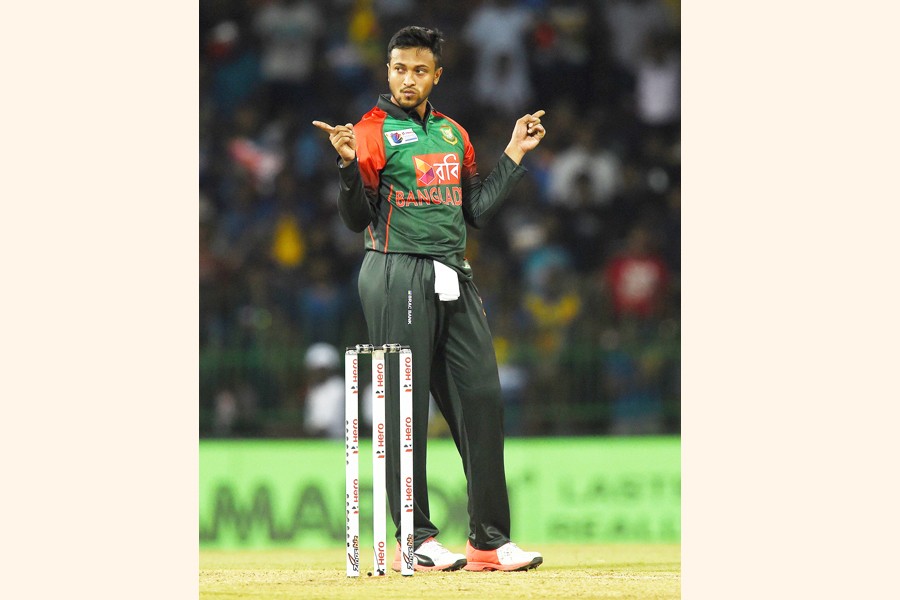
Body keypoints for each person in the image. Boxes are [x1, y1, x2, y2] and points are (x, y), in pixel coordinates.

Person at [313, 26, 545, 572]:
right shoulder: (369, 132)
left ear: (436, 75)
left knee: (482, 398)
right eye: (399, 69)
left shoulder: (452, 133)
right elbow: (355, 220)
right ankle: (414, 537)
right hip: (396, 269)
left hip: (453, 272)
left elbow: (476, 212)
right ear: (388, 71)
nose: (408, 79)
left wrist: (514, 152)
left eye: (419, 70)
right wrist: (346, 166)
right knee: (406, 407)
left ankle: (489, 540)